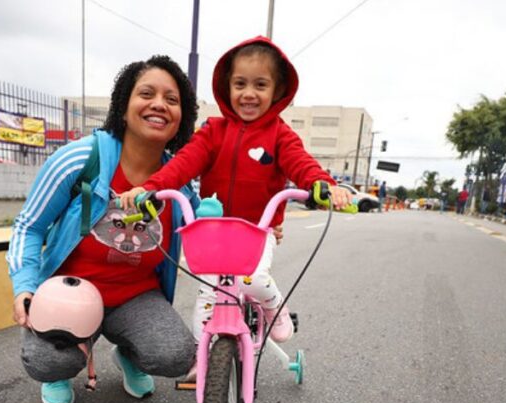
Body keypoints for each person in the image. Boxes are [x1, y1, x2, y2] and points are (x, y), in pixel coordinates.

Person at [122, 36, 351, 345]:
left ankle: (275, 307)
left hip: (258, 230)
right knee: (206, 299)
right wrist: (152, 188)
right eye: (240, 84)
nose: (248, 94)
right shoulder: (213, 132)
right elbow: (183, 164)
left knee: (253, 279)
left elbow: (301, 163)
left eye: (260, 85)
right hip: (214, 232)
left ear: (277, 91)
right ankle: (202, 356)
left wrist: (322, 185)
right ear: (227, 87)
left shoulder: (280, 135)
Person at [6, 55, 199, 403]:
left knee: (176, 355)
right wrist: (25, 287)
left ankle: (129, 354)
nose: (159, 104)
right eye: (146, 93)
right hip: (72, 294)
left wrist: (264, 226)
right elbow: (28, 227)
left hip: (136, 296)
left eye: (172, 100)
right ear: (123, 107)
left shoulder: (182, 184)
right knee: (50, 360)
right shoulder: (79, 160)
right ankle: (62, 369)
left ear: (181, 119)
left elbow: (207, 229)